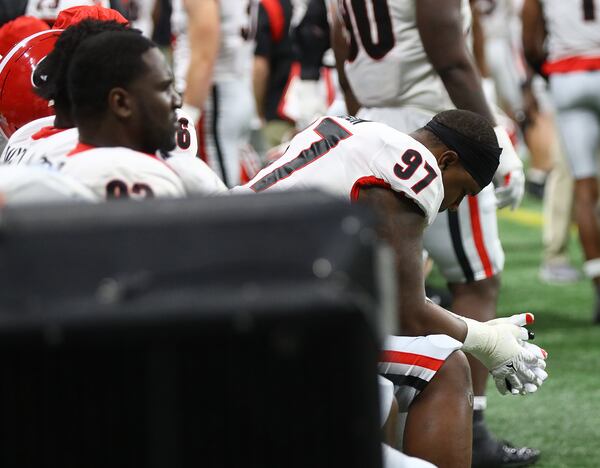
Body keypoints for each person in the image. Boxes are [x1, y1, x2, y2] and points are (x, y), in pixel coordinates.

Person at [232, 110, 548, 467]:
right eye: (463, 190)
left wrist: (466, 327)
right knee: (446, 367)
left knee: (383, 382)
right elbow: (407, 316)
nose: (456, 204)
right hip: (258, 324)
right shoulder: (414, 169)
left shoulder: (354, 128)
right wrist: (485, 341)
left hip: (229, 285)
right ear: (446, 160)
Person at [330, 1, 539, 466]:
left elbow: (342, 48)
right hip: (435, 125)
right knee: (475, 277)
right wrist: (498, 141)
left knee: (390, 278)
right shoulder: (433, 166)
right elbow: (450, 56)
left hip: (366, 118)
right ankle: (471, 426)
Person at [61, 29, 225, 199]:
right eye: (164, 88)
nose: (177, 101)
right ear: (121, 103)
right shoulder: (166, 175)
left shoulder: (51, 174)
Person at [522, 0, 600, 317]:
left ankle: (597, 281)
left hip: (567, 76)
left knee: (583, 187)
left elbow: (530, 43)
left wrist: (551, 74)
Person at [171, 0, 258, 187]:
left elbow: (205, 56)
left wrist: (188, 114)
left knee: (219, 196)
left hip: (211, 96)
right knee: (239, 181)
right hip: (238, 85)